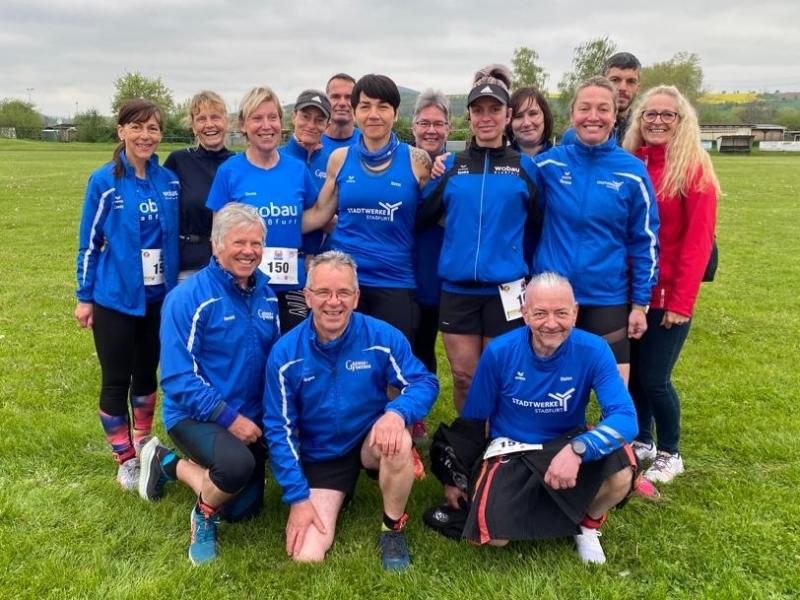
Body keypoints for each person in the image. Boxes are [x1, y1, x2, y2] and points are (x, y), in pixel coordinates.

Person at [429, 273, 637, 564]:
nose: (551, 323)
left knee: (622, 472)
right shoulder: (499, 351)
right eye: (540, 313)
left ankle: (587, 526)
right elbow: (473, 420)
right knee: (496, 538)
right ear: (524, 313)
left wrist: (578, 450)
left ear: (575, 312)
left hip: (566, 444)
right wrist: (455, 477)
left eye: (561, 313)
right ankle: (554, 508)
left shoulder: (595, 349)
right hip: (513, 448)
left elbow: (626, 418)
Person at [262, 251, 438, 570]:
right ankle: (341, 491)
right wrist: (298, 498)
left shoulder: (382, 336)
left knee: (399, 441)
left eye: (343, 292)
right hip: (322, 454)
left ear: (356, 298)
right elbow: (279, 430)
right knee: (307, 555)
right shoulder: (285, 353)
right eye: (323, 292)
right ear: (308, 296)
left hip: (370, 439)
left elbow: (424, 382)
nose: (334, 302)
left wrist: (397, 413)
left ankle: (392, 527)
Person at [137, 203, 281, 564]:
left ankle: (167, 463)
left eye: (256, 243)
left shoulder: (266, 295)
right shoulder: (188, 298)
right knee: (234, 469)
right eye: (239, 242)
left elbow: (273, 363)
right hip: (195, 415)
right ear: (216, 245)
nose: (249, 251)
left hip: (249, 417)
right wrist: (230, 418)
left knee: (243, 510)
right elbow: (177, 379)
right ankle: (202, 516)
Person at [417, 65, 540, 414]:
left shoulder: (524, 168)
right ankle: (471, 440)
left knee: (500, 377)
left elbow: (539, 225)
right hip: (458, 292)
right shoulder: (451, 166)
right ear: (469, 117)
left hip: (505, 292)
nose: (486, 117)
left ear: (507, 115)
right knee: (463, 376)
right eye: (478, 110)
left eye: (494, 109)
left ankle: (499, 441)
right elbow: (420, 218)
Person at [74, 99, 179, 491]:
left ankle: (144, 440)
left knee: (147, 374)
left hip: (157, 299)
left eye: (152, 128)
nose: (145, 136)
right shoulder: (104, 181)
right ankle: (125, 458)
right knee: (116, 379)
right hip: (115, 298)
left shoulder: (168, 181)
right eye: (136, 127)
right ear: (121, 131)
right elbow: (89, 243)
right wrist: (84, 296)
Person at [531, 76, 659, 385]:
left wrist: (640, 304)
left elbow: (645, 242)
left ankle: (613, 423)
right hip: (553, 296)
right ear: (572, 114)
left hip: (606, 295)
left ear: (615, 116)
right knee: (550, 386)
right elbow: (504, 185)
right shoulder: (547, 165)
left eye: (603, 109)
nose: (593, 116)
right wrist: (444, 163)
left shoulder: (632, 172)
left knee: (614, 386)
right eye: (585, 108)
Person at [623, 86, 719, 483]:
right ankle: (642, 439)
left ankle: (670, 451)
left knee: (655, 378)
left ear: (682, 121)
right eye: (650, 114)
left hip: (667, 295)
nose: (658, 121)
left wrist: (681, 302)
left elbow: (698, 244)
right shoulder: (632, 161)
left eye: (667, 115)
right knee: (635, 374)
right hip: (633, 292)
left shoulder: (693, 169)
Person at [302, 74, 431, 343]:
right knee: (338, 358)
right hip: (345, 282)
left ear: (396, 113)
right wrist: (266, 226)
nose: (373, 115)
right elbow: (318, 215)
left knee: (391, 363)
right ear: (355, 112)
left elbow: (437, 215)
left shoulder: (418, 162)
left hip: (395, 281)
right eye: (365, 106)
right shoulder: (340, 159)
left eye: (382, 107)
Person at [206, 86, 318, 331]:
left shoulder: (298, 170)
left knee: (293, 348)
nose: (266, 126)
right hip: (243, 285)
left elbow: (313, 218)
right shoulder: (229, 171)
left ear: (281, 122)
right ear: (243, 125)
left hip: (292, 285)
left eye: (272, 117)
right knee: (249, 349)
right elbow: (217, 236)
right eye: (257, 118)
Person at [409, 89, 451, 441]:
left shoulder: (456, 166)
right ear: (413, 125)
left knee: (424, 346)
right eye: (425, 123)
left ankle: (417, 414)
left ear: (449, 128)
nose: (431, 130)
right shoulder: (400, 161)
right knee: (398, 344)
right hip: (399, 271)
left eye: (438, 123)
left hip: (436, 275)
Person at [164, 90, 234, 282]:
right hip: (189, 267)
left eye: (215, 117)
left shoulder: (238, 164)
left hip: (231, 266)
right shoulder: (178, 161)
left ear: (226, 122)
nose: (209, 124)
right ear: (193, 126)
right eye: (201, 119)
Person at [281, 89, 333, 256]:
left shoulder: (334, 163)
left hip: (322, 262)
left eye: (319, 120)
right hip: (279, 258)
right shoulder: (275, 158)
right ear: (293, 117)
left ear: (327, 125)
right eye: (305, 117)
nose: (311, 125)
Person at [603, 52, 642, 144]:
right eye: (615, 80)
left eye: (631, 81)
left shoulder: (645, 133)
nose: (622, 88)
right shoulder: (582, 130)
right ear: (602, 84)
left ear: (638, 88)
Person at [507, 86, 554, 158]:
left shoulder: (561, 159)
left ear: (545, 116)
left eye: (533, 114)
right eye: (518, 116)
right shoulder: (498, 161)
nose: (526, 123)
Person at [321, 73, 362, 151]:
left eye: (349, 97)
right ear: (326, 101)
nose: (342, 103)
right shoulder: (312, 142)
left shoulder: (368, 142)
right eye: (335, 97)